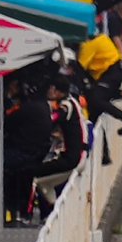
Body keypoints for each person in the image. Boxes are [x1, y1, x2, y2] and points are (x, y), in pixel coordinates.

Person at [34, 74, 88, 219]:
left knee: (32, 174)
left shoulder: (66, 106)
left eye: (51, 88)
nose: (48, 91)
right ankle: (55, 214)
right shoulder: (73, 102)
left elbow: (52, 120)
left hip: (72, 158)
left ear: (56, 90)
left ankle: (30, 216)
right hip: (78, 155)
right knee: (44, 184)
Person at [3, 74, 53, 225]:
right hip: (34, 153)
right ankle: (17, 211)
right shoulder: (43, 106)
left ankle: (10, 209)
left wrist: (8, 98)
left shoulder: (27, 109)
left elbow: (6, 122)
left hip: (23, 154)